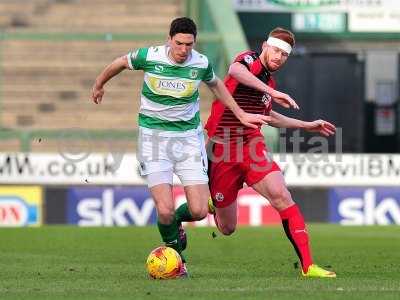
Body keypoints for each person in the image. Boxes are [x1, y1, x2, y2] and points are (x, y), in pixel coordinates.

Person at [91, 18, 297, 277]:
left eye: (189, 44)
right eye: (179, 44)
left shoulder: (200, 63)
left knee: (200, 210)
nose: (184, 50)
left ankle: (177, 222)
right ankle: (177, 261)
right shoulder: (149, 56)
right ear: (170, 40)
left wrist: (241, 114)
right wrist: (99, 84)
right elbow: (120, 62)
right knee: (164, 209)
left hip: (189, 139)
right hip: (153, 139)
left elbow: (218, 86)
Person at [205, 27, 337, 278]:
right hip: (222, 148)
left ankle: (308, 266)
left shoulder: (268, 82)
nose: (279, 57)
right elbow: (235, 71)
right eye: (276, 50)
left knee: (281, 195)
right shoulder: (250, 61)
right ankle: (214, 201)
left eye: (284, 55)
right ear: (265, 46)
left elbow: (269, 117)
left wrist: (306, 125)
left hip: (252, 145)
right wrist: (272, 92)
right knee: (227, 227)